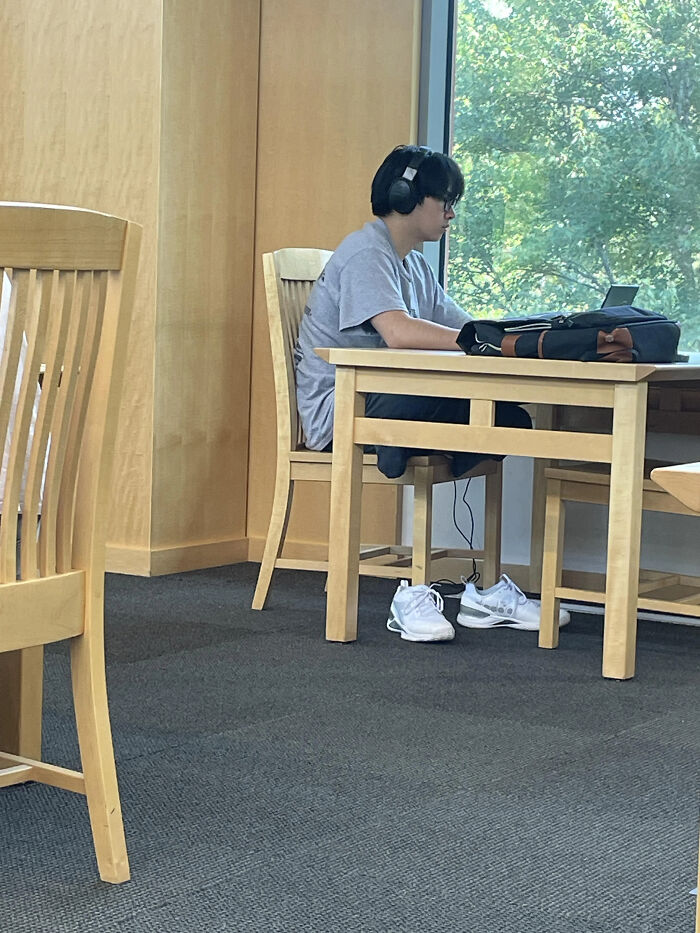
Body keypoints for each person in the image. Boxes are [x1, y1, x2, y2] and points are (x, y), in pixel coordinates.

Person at [294, 145, 568, 642]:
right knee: (462, 409)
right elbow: (399, 333)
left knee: (510, 417)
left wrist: (515, 337)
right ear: (406, 196)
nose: (450, 214)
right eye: (445, 202)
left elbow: (463, 328)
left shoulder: (414, 266)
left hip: (384, 397)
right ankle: (398, 454)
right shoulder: (365, 253)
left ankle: (481, 594)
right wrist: (477, 341)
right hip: (342, 410)